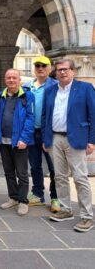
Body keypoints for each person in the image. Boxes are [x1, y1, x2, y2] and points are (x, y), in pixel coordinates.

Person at [42, 58, 95, 232]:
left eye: (65, 69)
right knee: (59, 176)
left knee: (80, 178)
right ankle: (65, 209)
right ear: (55, 73)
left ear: (73, 71)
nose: (62, 72)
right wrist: (45, 138)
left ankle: (87, 216)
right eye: (59, 70)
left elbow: (93, 115)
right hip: (55, 138)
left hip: (77, 138)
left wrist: (92, 140)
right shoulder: (50, 91)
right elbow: (45, 116)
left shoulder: (85, 88)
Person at [22, 56, 59, 212]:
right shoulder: (27, 86)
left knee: (54, 167)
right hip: (32, 132)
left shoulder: (56, 86)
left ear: (49, 69)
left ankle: (56, 197)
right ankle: (37, 194)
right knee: (35, 166)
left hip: (49, 132)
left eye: (44, 65)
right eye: (37, 65)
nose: (40, 68)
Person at [0, 69, 35, 216]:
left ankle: (23, 201)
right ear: (5, 80)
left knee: (22, 173)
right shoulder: (1, 96)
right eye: (9, 78)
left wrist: (24, 138)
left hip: (20, 142)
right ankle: (13, 197)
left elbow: (30, 118)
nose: (11, 80)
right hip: (4, 141)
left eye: (14, 78)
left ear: (19, 80)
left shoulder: (27, 96)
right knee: (8, 172)